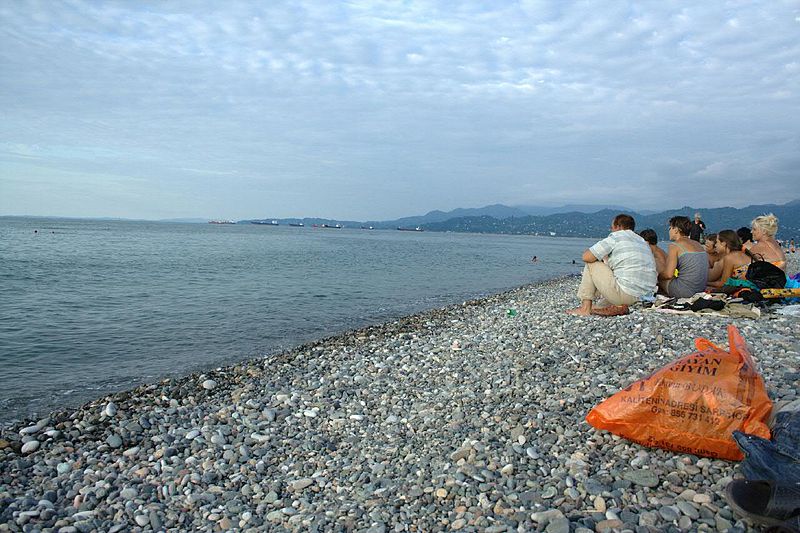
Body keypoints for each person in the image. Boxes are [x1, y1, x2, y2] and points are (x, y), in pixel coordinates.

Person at [567, 214, 657, 316]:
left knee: (591, 263)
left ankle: (585, 309)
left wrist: (600, 256)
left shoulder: (617, 237)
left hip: (627, 295)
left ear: (618, 226)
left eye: (612, 227)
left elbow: (586, 257)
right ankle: (600, 307)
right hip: (645, 297)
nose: (611, 230)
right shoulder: (641, 241)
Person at [658, 216, 708, 297]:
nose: (669, 231)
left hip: (685, 292)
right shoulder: (698, 244)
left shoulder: (675, 245)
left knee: (658, 265)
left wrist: (657, 275)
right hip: (700, 290)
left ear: (676, 230)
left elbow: (668, 274)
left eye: (670, 228)